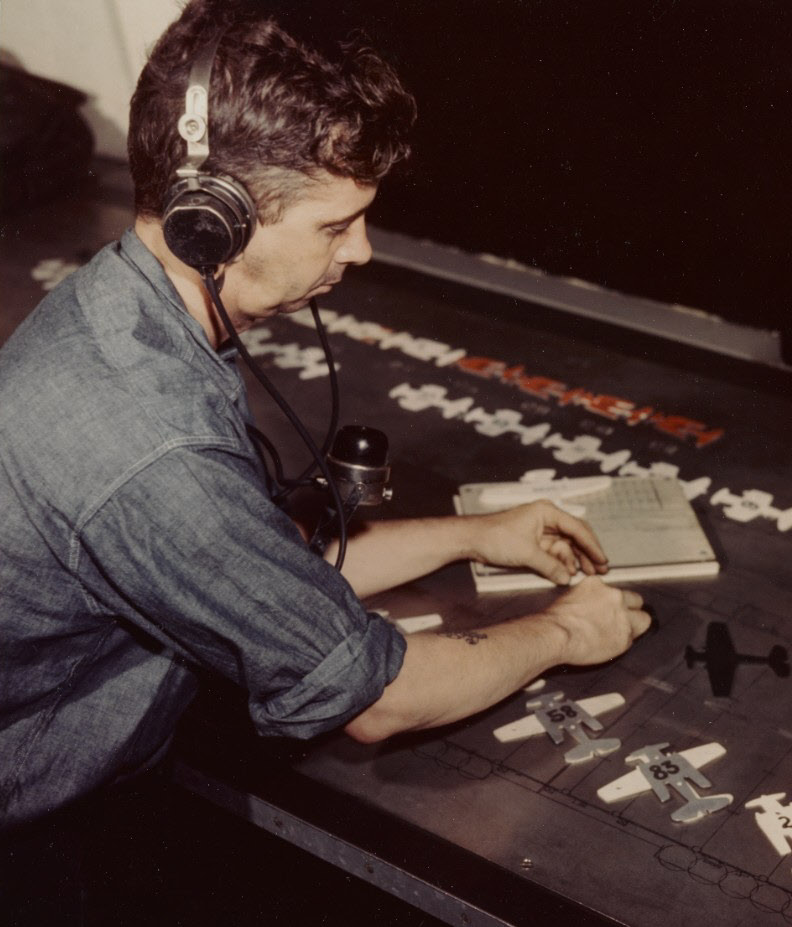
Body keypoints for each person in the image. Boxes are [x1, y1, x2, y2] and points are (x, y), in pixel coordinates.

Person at [0, 0, 650, 842]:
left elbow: (261, 568)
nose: (361, 250)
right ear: (215, 221)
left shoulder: (115, 306)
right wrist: (567, 628)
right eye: (335, 224)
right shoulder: (158, 452)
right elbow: (382, 698)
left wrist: (476, 535)